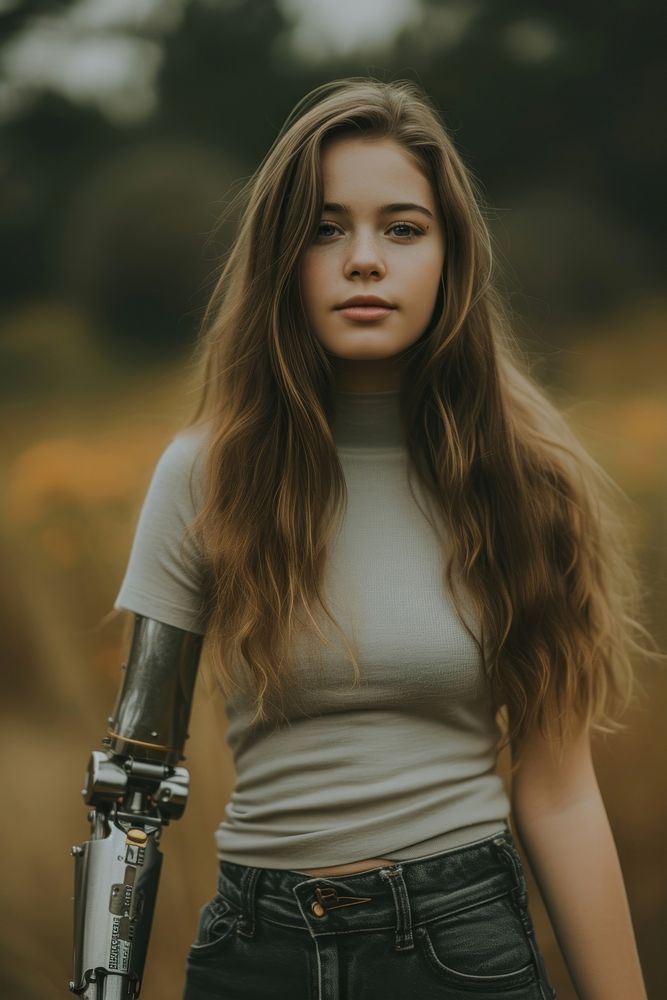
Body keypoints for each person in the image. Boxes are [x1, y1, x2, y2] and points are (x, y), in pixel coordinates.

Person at [110, 78, 657, 999]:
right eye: (326, 229)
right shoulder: (205, 475)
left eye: (402, 228)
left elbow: (559, 791)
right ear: (284, 256)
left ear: (450, 256)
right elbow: (131, 783)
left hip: (458, 944)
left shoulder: (528, 484)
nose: (364, 259)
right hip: (253, 952)